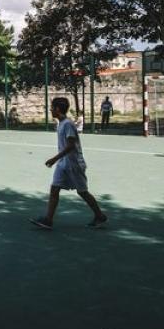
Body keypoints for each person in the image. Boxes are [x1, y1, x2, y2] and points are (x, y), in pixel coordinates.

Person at [30, 97, 108, 230]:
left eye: (52, 107)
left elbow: (71, 145)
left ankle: (99, 215)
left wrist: (54, 159)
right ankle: (48, 220)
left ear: (57, 109)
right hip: (63, 163)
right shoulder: (61, 123)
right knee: (54, 188)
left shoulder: (68, 124)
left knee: (82, 192)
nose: (50, 110)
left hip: (74, 164)